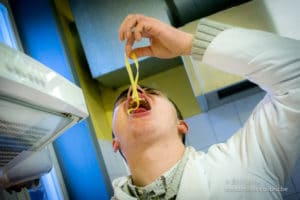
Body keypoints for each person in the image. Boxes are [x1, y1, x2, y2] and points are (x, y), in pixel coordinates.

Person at [111, 14, 300, 199]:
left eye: (153, 93)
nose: (135, 92)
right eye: (121, 102)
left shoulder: (246, 164)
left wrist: (188, 43)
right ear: (115, 142)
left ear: (181, 125)